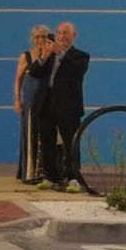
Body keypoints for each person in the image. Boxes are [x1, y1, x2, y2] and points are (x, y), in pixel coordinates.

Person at [41, 21, 90, 191]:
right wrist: (44, 56)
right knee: (47, 141)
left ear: (73, 36)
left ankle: (73, 178)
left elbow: (75, 71)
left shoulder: (81, 56)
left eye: (66, 33)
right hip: (47, 104)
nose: (61, 36)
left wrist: (61, 53)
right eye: (59, 32)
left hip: (69, 107)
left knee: (71, 142)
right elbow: (35, 73)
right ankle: (51, 176)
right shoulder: (50, 55)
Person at [12, 24, 55, 183]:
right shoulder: (26, 56)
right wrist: (17, 99)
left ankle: (47, 172)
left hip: (48, 100)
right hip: (31, 100)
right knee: (30, 134)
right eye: (36, 37)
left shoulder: (52, 55)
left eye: (43, 36)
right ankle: (30, 173)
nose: (40, 40)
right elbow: (18, 79)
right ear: (32, 39)